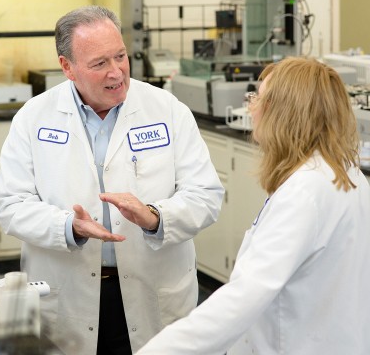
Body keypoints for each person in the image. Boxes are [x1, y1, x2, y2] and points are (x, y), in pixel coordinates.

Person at [0, 5, 224, 355]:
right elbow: (10, 205)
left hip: (154, 293)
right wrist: (68, 226)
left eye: (121, 56)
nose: (117, 72)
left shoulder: (167, 109)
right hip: (67, 296)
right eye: (100, 63)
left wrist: (156, 217)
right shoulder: (34, 118)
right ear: (67, 67)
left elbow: (206, 194)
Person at [136, 57, 370, 355]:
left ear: (283, 112)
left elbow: (241, 299)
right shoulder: (345, 173)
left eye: (257, 97)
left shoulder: (304, 192)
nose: (251, 107)